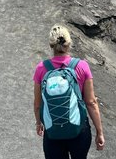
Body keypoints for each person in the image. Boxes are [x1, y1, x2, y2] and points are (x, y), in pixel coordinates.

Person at [33, 24, 105, 159]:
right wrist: (99, 132)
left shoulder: (41, 68)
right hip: (78, 130)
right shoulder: (82, 66)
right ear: (69, 43)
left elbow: (38, 104)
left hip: (52, 131)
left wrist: (39, 123)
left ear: (51, 45)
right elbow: (91, 102)